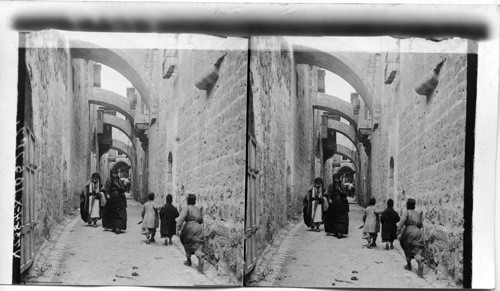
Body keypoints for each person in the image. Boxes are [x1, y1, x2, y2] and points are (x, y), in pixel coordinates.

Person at [176, 194, 205, 273]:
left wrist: (177, 228)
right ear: (194, 201)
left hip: (189, 227)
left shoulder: (186, 207)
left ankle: (189, 260)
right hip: (199, 228)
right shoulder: (197, 209)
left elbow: (181, 218)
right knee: (197, 243)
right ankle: (200, 256)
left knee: (186, 242)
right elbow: (201, 220)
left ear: (188, 200)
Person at [397, 198, 425, 277]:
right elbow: (420, 225)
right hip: (418, 232)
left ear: (407, 205)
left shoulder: (406, 212)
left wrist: (398, 231)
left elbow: (401, 223)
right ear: (414, 205)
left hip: (409, 232)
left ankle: (408, 264)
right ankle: (419, 260)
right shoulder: (417, 213)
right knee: (417, 247)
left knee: (406, 245)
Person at [102, 169, 128, 234]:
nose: (114, 175)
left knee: (120, 214)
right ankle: (114, 226)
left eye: (115, 174)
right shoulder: (109, 181)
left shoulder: (119, 181)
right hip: (112, 201)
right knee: (112, 214)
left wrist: (117, 185)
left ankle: (119, 227)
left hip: (120, 201)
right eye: (113, 174)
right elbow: (106, 189)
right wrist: (107, 194)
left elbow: (123, 189)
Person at [325, 174, 349, 238]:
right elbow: (329, 194)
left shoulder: (342, 186)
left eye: (337, 179)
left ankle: (340, 232)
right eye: (335, 179)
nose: (336, 180)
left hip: (341, 205)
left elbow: (345, 194)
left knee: (341, 219)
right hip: (334, 205)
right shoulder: (331, 186)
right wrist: (329, 199)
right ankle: (335, 231)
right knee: (333, 218)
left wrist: (340, 190)